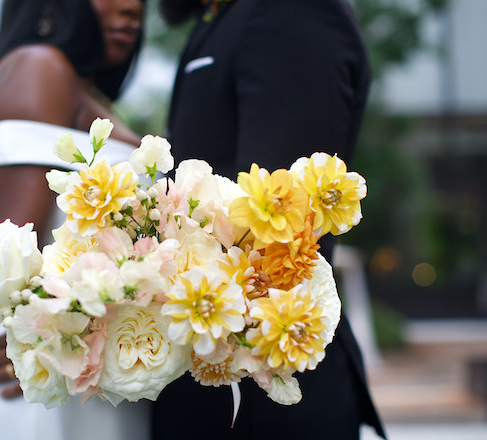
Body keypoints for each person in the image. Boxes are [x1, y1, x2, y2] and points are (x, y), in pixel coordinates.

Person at [151, 0, 387, 439]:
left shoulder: (292, 13)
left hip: (265, 392)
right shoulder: (223, 17)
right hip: (210, 379)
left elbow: (277, 233)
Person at [0, 1, 149, 439]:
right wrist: (38, 340)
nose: (132, 7)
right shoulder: (38, 68)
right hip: (34, 384)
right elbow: (11, 268)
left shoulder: (76, 87)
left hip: (81, 374)